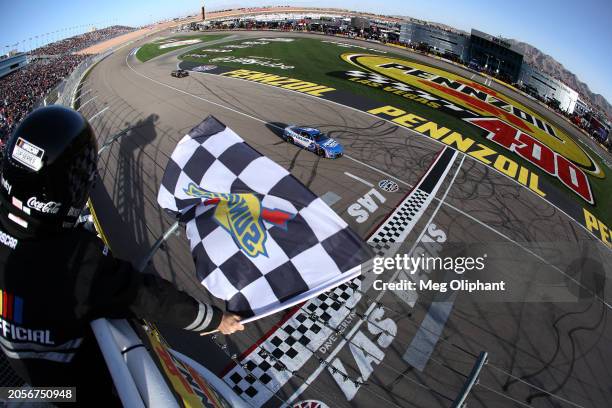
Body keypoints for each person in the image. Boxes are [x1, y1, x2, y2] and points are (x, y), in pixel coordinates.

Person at [0, 106, 243, 403]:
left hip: (24, 383)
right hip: (75, 393)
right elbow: (147, 296)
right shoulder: (75, 256)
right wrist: (215, 320)